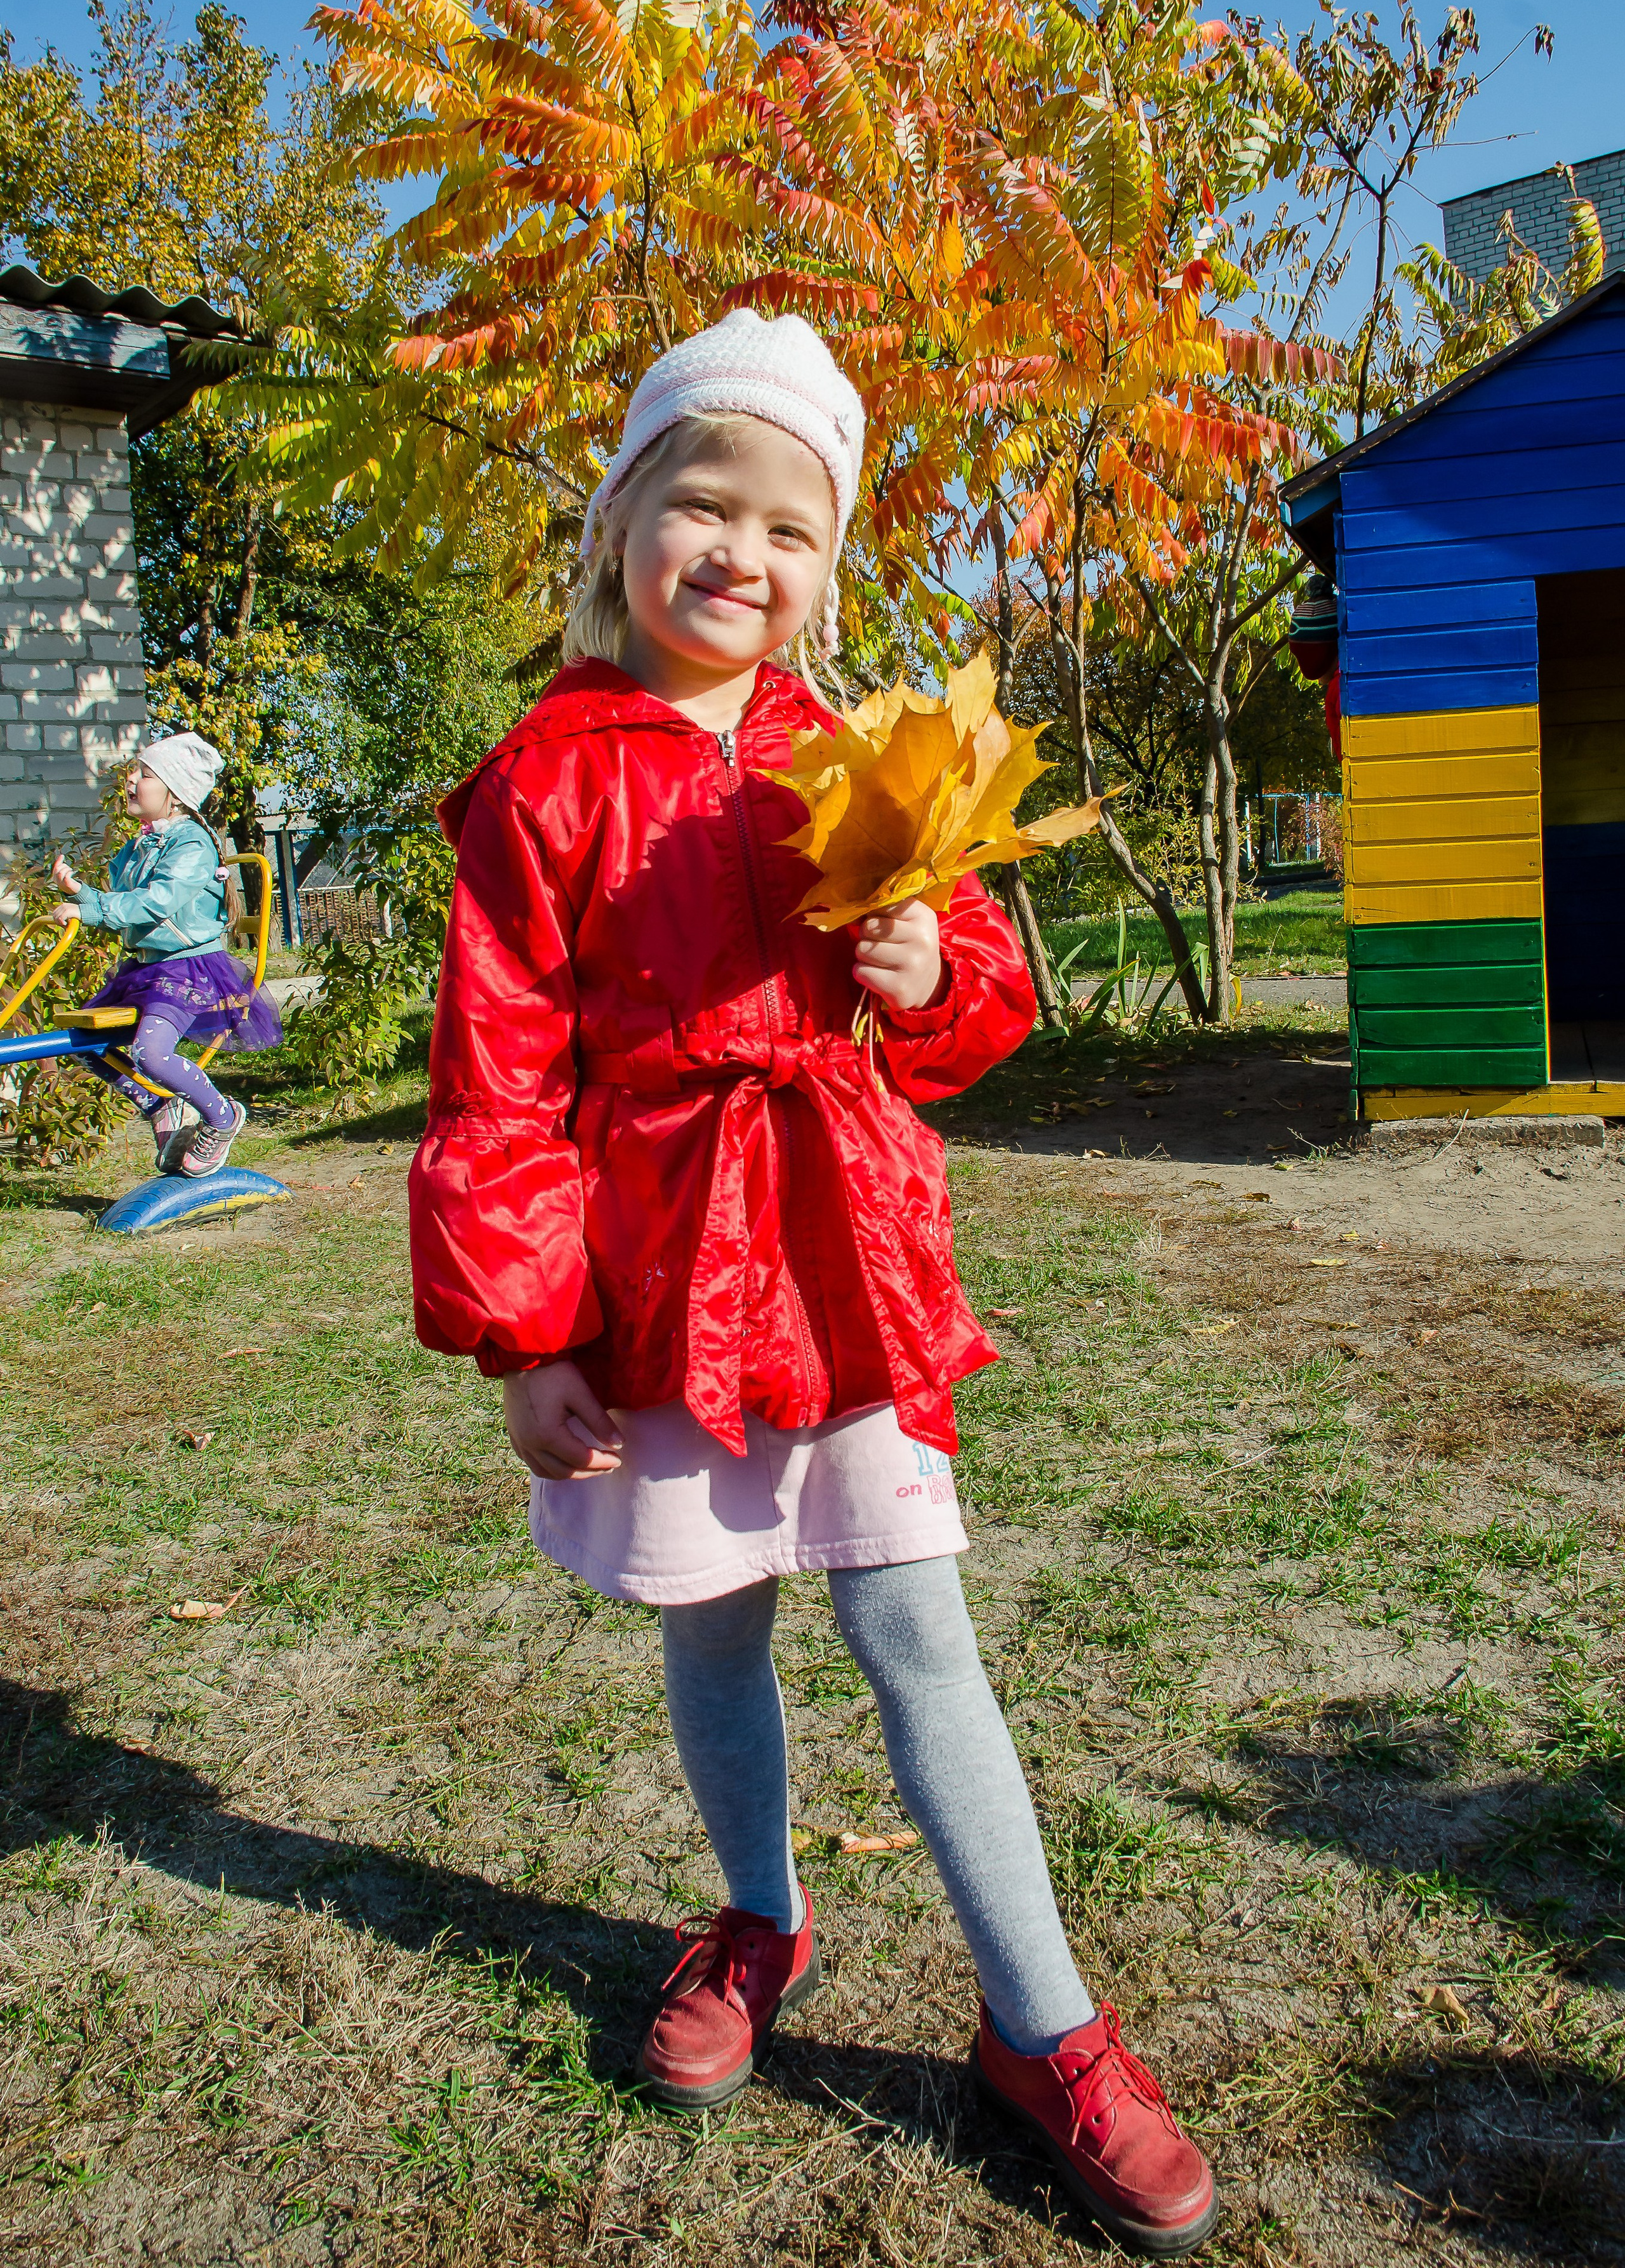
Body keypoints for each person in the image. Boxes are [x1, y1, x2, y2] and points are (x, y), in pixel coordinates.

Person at [409, 310, 1219, 2257]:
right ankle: (758, 1917)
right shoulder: (541, 780)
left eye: (790, 529)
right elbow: (496, 1077)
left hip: (840, 1253)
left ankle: (1045, 2026)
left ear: (826, 569)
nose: (741, 552)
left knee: (916, 1624)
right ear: (623, 521)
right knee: (713, 1629)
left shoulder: (859, 757)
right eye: (705, 503)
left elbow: (973, 991)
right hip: (657, 1265)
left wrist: (936, 974)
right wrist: (525, 1330)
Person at [50, 732, 281, 1177]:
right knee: (83, 1043)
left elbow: (156, 902)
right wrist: (80, 893)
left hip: (188, 970)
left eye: (144, 774)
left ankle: (222, 1115)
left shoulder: (192, 844)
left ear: (174, 793)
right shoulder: (139, 845)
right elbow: (122, 901)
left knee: (150, 1053)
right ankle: (161, 1106)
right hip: (148, 969)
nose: (131, 781)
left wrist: (90, 910)